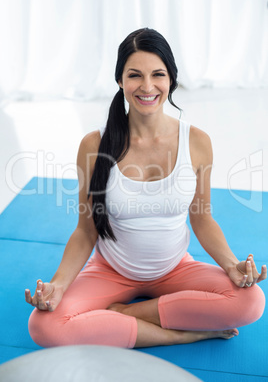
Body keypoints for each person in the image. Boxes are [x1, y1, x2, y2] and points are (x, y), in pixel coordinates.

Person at [25, 28, 266, 348]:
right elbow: (85, 231)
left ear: (172, 80)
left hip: (175, 269)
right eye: (135, 75)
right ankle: (179, 334)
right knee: (45, 326)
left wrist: (231, 265)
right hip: (110, 271)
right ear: (120, 80)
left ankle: (127, 313)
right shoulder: (94, 144)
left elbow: (202, 218)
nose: (147, 86)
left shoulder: (196, 141)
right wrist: (57, 284)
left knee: (251, 302)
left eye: (158, 74)